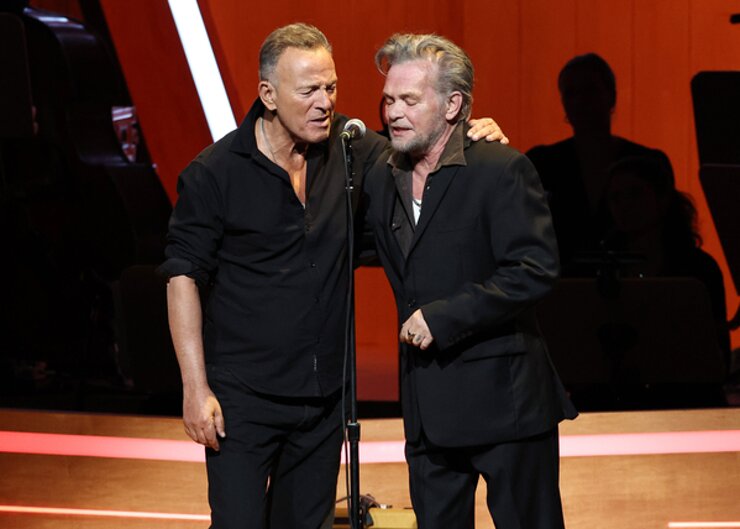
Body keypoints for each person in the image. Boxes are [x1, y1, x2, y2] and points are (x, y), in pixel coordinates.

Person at [159, 23, 505, 529]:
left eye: (331, 87)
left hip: (325, 402)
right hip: (243, 401)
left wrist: (474, 138)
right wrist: (195, 388)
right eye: (310, 91)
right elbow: (182, 277)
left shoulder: (350, 150)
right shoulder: (216, 173)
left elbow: (425, 155)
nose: (325, 102)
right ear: (268, 95)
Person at [360, 33, 578, 529]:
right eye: (389, 99)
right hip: (427, 409)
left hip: (508, 405)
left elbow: (533, 269)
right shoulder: (380, 176)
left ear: (453, 104)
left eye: (410, 100)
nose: (393, 111)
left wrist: (443, 316)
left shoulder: (500, 168)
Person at [526, 53, 672, 275]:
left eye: (589, 91)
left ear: (611, 97)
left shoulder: (650, 162)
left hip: (632, 280)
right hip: (564, 284)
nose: (580, 101)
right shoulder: (541, 163)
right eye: (571, 93)